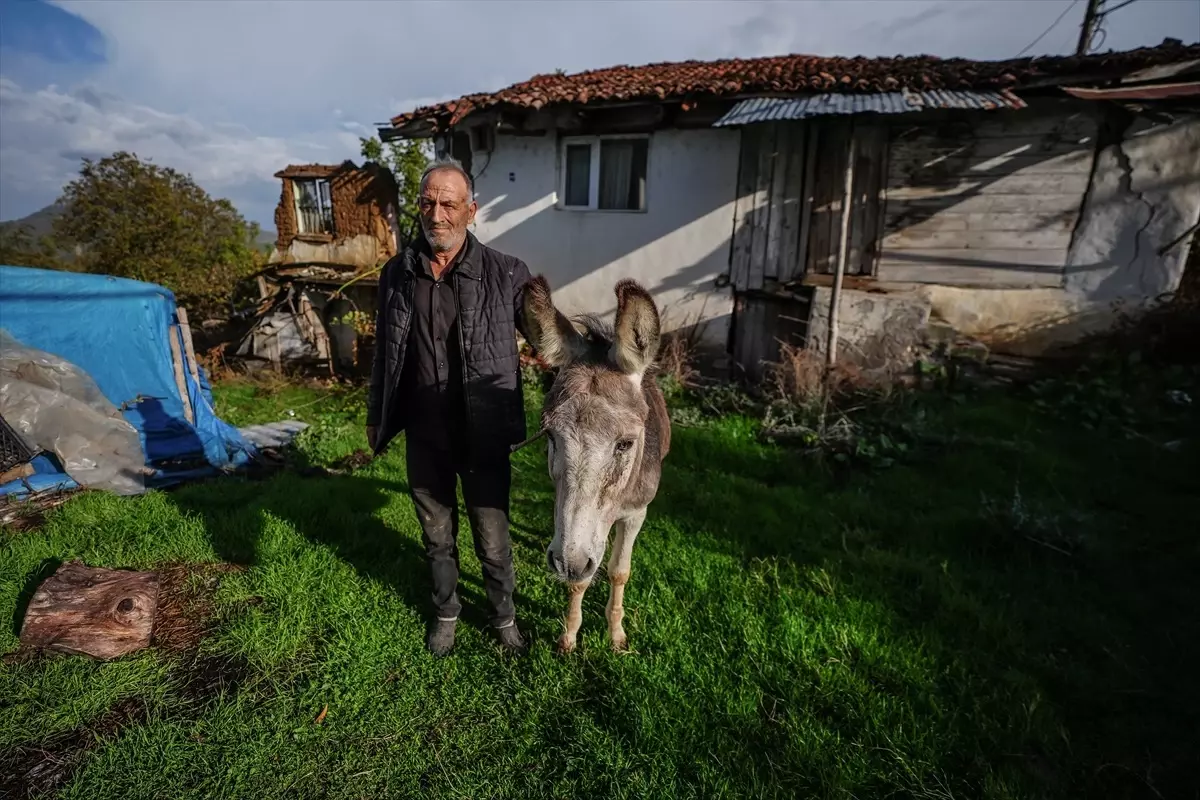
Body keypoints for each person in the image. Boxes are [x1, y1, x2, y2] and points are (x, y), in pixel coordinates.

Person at [366, 157, 533, 657]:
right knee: (437, 534)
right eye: (428, 202)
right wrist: (378, 415)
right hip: (425, 433)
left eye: (449, 204)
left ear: (472, 211)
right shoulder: (397, 273)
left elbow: (550, 335)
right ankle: (446, 612)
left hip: (483, 433)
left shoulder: (507, 273)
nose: (436, 214)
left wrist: (594, 356)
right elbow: (385, 354)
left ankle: (503, 619)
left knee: (493, 537)